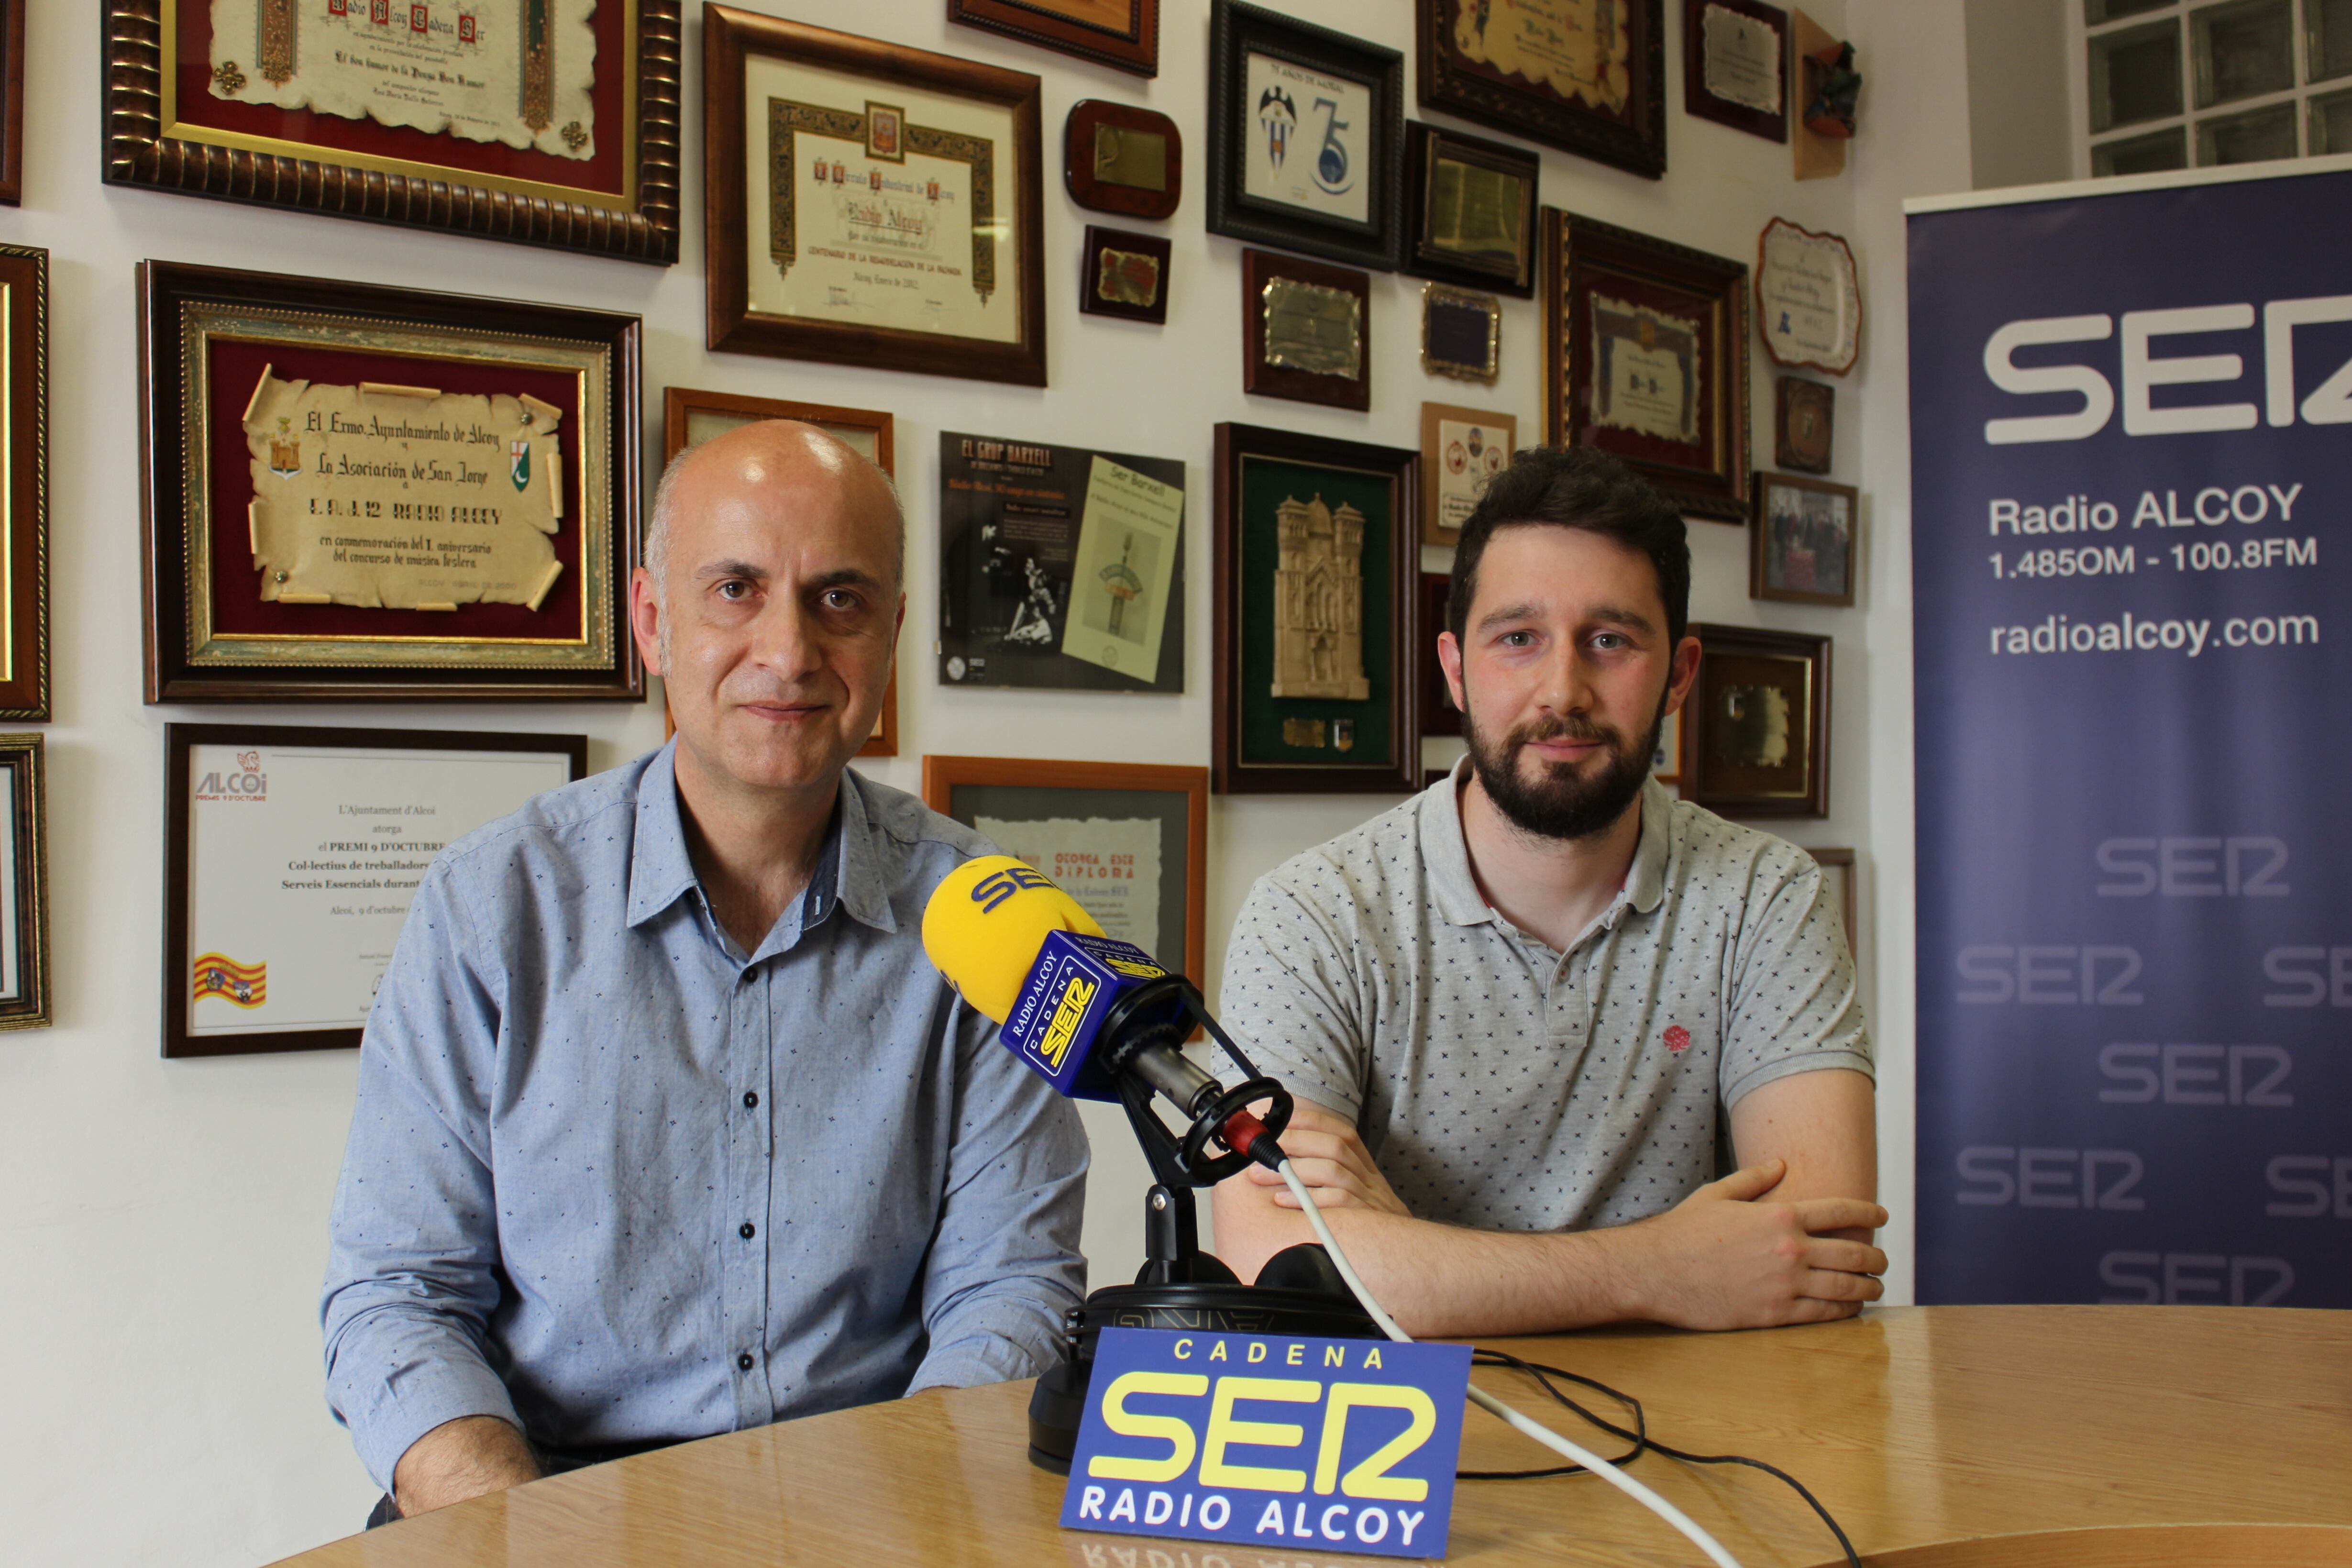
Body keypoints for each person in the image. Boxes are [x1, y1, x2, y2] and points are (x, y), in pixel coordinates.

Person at [320, 422, 1087, 1522]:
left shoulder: (990, 923)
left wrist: (909, 1521)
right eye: (736, 588)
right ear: (651, 620)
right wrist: (516, 1526)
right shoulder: (491, 908)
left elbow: (1008, 1285)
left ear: (893, 633)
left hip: (876, 1494)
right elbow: (397, 1294)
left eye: (840, 599)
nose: (788, 651)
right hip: (541, 1496)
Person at [1212, 446, 1884, 1337]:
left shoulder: (1768, 899)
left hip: (1708, 1446)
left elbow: (1817, 1266)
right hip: (1410, 1455)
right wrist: (1665, 1269)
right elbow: (1273, 1273)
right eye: (1517, 638)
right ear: (1455, 668)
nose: (1561, 690)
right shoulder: (1313, 915)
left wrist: (1399, 1247)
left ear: (1679, 674)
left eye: (1610, 640)